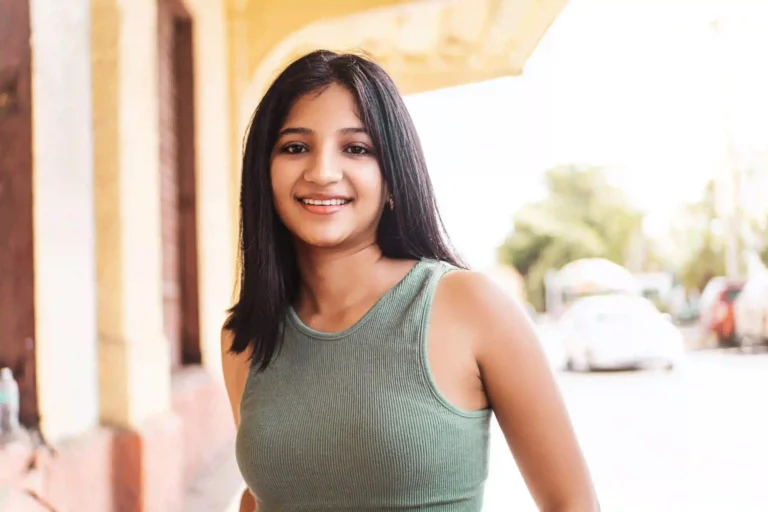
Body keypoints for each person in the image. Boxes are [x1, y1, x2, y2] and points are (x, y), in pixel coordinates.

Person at [221, 49, 598, 512]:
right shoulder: (244, 338)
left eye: (356, 149)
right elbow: (262, 497)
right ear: (263, 171)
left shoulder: (470, 306)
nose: (322, 172)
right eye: (295, 147)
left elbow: (572, 503)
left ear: (393, 174)